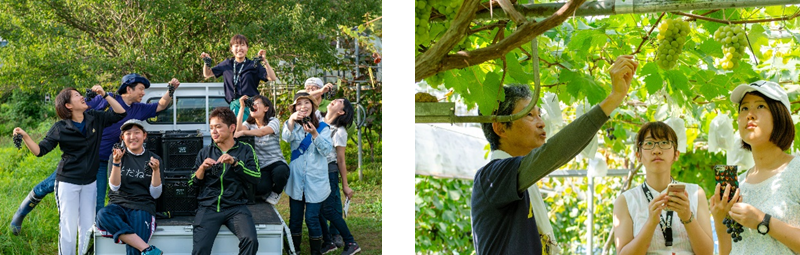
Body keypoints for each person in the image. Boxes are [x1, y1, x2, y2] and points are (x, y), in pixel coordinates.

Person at [470, 55, 637, 254]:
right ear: (500, 128)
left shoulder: (522, 180)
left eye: (539, 114)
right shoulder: (493, 176)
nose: (541, 122)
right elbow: (556, 151)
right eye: (529, 115)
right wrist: (613, 99)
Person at [10, 74, 179, 234]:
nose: (143, 93)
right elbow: (79, 113)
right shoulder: (106, 99)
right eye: (141, 89)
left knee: (98, 203)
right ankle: (19, 215)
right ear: (129, 89)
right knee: (48, 185)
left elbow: (161, 105)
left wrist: (170, 89)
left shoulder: (139, 109)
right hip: (81, 158)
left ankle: (92, 241)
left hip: (106, 161)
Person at [13, 87, 126, 255]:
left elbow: (120, 113)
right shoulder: (60, 127)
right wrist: (25, 136)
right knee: (68, 227)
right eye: (76, 95)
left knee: (88, 226)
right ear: (68, 105)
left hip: (90, 182)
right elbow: (39, 151)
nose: (82, 97)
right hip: (67, 182)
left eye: (80, 94)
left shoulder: (95, 118)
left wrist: (105, 95)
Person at [711, 80, 800, 254]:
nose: (750, 115)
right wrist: (720, 220)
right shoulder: (739, 183)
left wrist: (763, 221)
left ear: (780, 115)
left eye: (760, 106)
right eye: (744, 108)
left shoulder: (797, 170)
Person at [612, 121, 713, 254]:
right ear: (638, 156)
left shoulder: (695, 194)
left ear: (676, 154)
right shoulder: (626, 201)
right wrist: (651, 223)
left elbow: (707, 253)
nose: (657, 150)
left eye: (664, 143)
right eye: (649, 143)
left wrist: (687, 216)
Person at [190, 107, 261, 255]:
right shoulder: (205, 152)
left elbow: (256, 177)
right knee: (200, 250)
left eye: (218, 127)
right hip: (208, 207)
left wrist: (235, 163)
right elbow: (192, 184)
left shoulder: (245, 149)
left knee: (250, 240)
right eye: (211, 128)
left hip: (235, 207)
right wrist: (202, 168)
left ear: (232, 128)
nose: (213, 132)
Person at [95, 119, 164, 255]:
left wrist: (156, 170)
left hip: (142, 206)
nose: (133, 137)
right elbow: (114, 187)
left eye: (137, 133)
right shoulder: (115, 156)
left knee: (134, 248)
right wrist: (116, 162)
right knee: (103, 214)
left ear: (144, 136)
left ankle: (142, 247)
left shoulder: (154, 159)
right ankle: (147, 249)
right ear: (122, 137)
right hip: (118, 204)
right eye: (128, 133)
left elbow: (155, 194)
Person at [281, 90, 334, 254]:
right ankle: (293, 250)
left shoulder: (323, 127)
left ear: (312, 106)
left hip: (316, 179)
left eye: (306, 103)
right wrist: (291, 120)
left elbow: (326, 150)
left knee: (312, 218)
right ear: (294, 107)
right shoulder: (291, 125)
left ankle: (316, 252)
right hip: (297, 179)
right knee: (295, 219)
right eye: (299, 104)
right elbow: (285, 138)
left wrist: (314, 133)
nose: (303, 106)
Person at [201, 34, 278, 121]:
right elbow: (207, 74)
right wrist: (207, 63)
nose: (239, 48)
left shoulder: (253, 65)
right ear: (231, 49)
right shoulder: (227, 64)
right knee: (236, 132)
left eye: (242, 45)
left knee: (250, 132)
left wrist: (264, 61)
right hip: (234, 106)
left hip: (251, 106)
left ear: (247, 48)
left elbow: (272, 78)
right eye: (236, 45)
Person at [319, 98, 359, 254]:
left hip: (329, 171)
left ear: (341, 112)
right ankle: (328, 242)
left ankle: (351, 242)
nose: (334, 100)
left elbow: (341, 160)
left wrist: (346, 185)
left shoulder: (339, 132)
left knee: (328, 209)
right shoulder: (318, 119)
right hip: (314, 170)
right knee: (316, 209)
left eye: (339, 102)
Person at [234, 94, 289, 205]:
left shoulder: (273, 121)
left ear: (266, 108)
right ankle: (267, 188)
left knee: (281, 172)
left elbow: (262, 132)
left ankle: (277, 191)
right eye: (252, 104)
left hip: (275, 162)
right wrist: (242, 107)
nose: (253, 105)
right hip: (261, 165)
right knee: (261, 188)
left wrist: (244, 132)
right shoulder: (249, 124)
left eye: (257, 103)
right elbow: (237, 130)